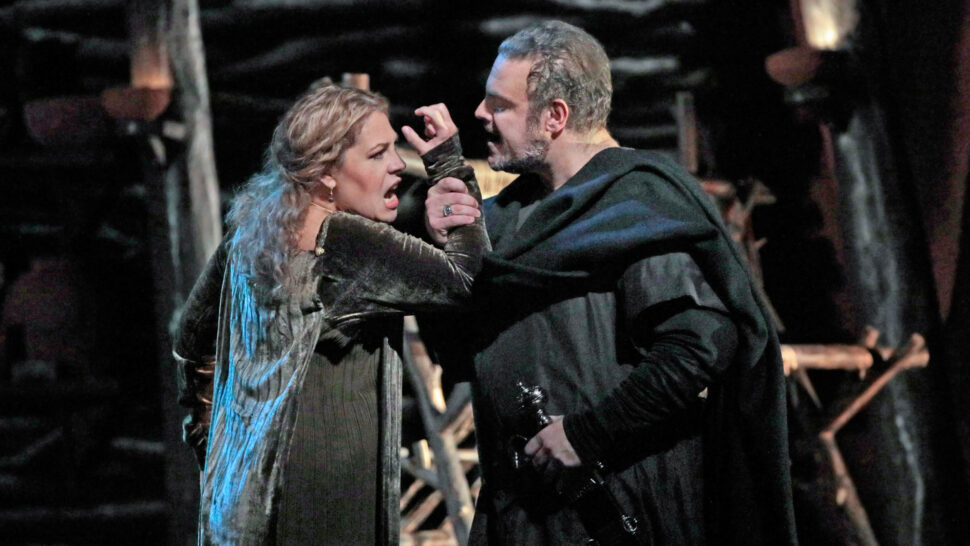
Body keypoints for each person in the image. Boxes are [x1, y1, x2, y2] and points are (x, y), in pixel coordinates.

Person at [423, 21, 797, 544]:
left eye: (500, 104)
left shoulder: (634, 206)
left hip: (622, 509)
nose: (481, 114)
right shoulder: (507, 220)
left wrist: (587, 433)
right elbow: (459, 354)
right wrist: (453, 243)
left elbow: (699, 346)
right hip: (523, 514)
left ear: (555, 116)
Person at [172, 82, 488, 545]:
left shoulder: (252, 229)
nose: (398, 165)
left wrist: (216, 446)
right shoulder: (343, 242)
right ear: (327, 174)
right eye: (377, 154)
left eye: (393, 149)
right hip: (324, 506)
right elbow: (471, 283)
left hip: (240, 508)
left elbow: (190, 342)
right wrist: (449, 168)